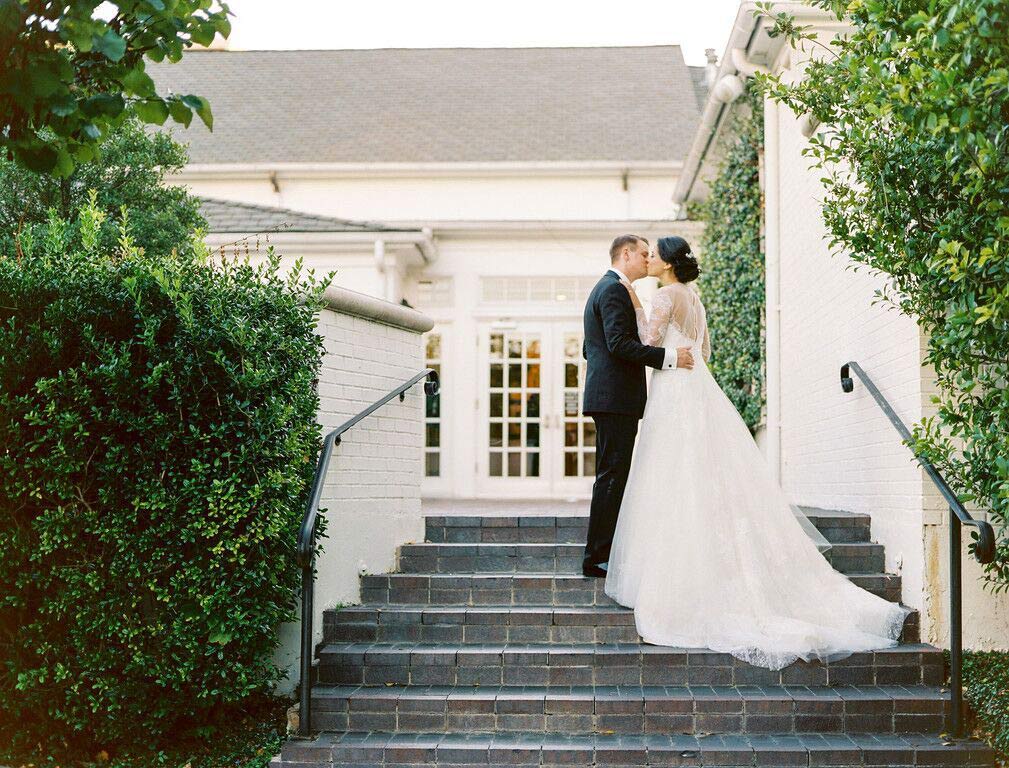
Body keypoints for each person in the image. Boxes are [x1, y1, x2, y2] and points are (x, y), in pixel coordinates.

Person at [603, 235, 908, 670]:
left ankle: (680, 581)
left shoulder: (664, 296)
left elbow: (646, 344)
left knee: (672, 476)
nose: (648, 259)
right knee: (700, 473)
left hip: (673, 391)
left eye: (654, 255)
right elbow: (702, 352)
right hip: (699, 388)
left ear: (668, 264)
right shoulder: (694, 297)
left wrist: (634, 305)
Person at [580, 234, 694, 578]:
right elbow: (617, 344)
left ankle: (603, 552)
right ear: (625, 254)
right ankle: (598, 557)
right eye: (644, 254)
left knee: (613, 474)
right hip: (615, 400)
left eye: (653, 255)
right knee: (613, 476)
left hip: (612, 397)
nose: (648, 259)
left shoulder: (610, 288)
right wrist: (670, 357)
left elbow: (593, 347)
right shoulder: (613, 289)